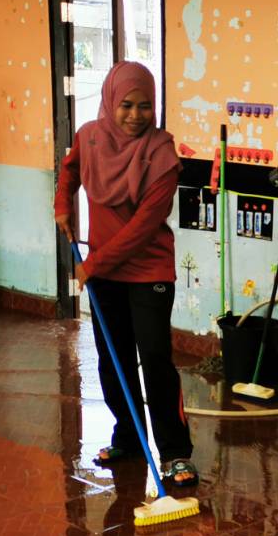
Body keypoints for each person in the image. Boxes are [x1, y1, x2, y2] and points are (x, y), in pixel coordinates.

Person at [55, 61, 196, 488]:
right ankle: (129, 439)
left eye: (145, 106)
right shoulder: (90, 137)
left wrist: (92, 266)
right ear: (111, 101)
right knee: (113, 359)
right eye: (127, 105)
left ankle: (175, 452)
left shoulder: (162, 156)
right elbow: (70, 170)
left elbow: (141, 230)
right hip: (105, 273)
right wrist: (63, 205)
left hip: (148, 270)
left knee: (154, 359)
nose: (136, 115)